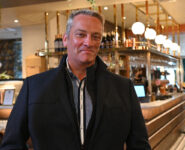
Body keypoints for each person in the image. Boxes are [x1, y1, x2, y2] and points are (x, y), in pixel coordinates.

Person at [0, 10, 151, 150]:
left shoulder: (123, 87)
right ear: (65, 39)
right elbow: (12, 144)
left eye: (95, 36)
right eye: (80, 34)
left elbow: (139, 145)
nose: (89, 42)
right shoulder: (34, 86)